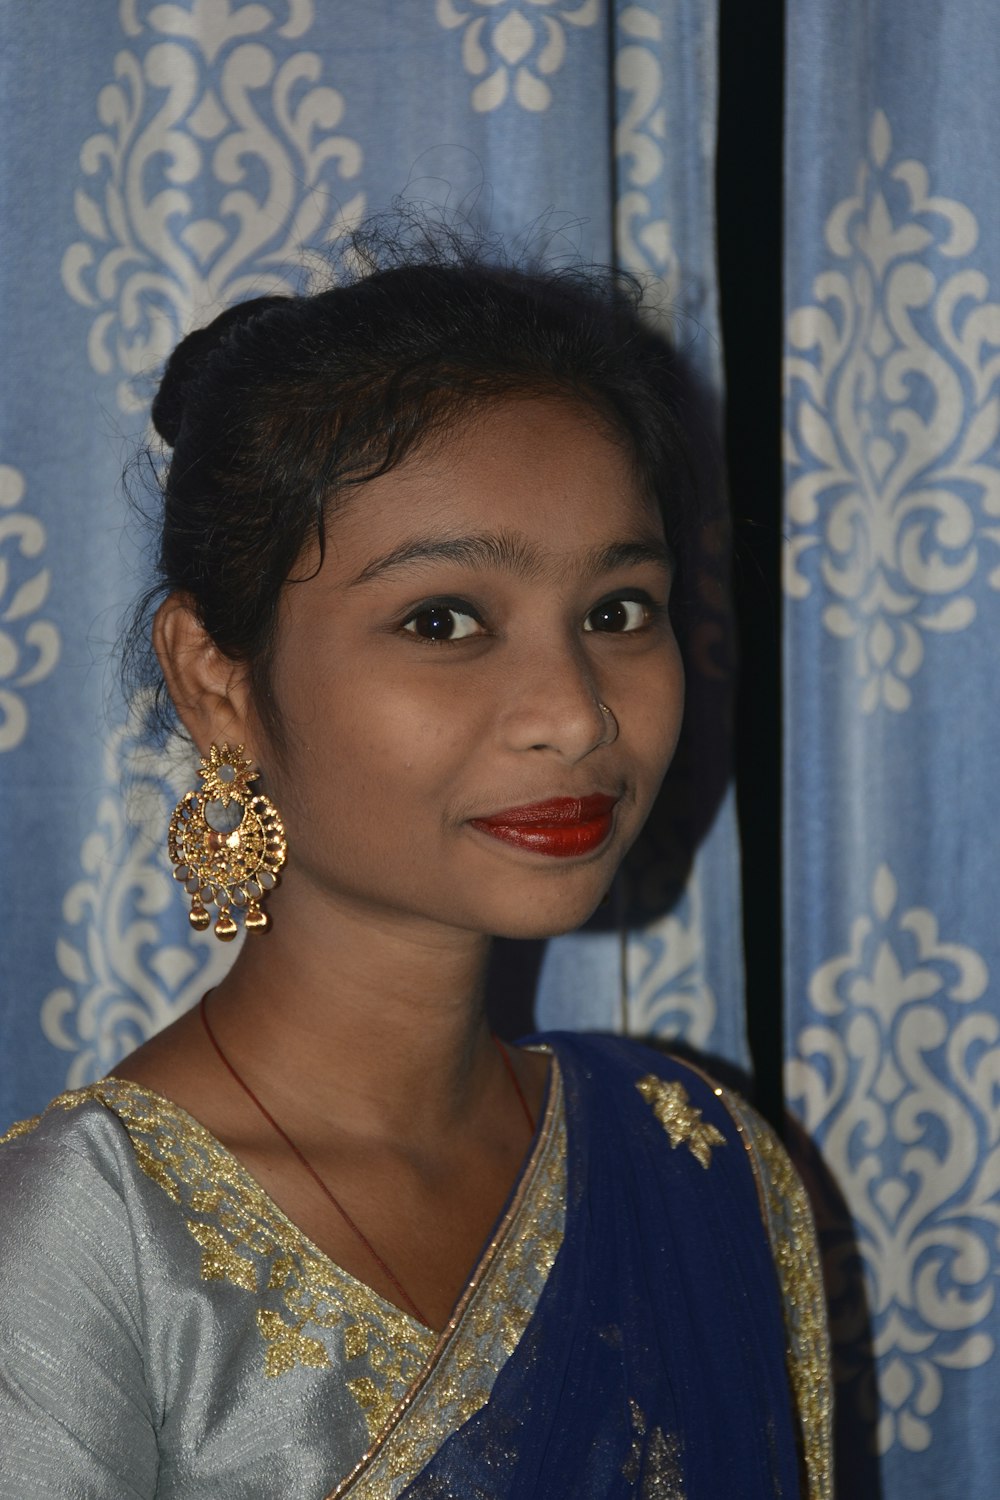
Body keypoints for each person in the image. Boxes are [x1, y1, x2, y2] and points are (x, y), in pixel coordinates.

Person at [0, 234, 831, 1498]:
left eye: (618, 612)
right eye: (443, 620)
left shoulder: (697, 1160)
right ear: (216, 679)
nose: (573, 713)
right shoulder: (86, 1246)